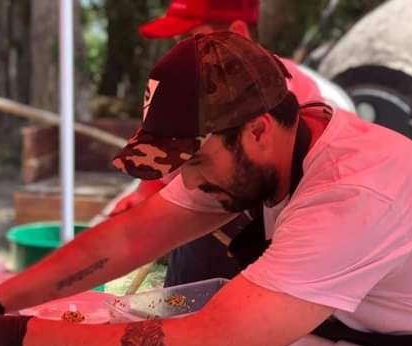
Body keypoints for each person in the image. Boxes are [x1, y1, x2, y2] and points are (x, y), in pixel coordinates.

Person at [0, 33, 412, 346]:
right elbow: (132, 235)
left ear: (259, 130)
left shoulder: (355, 192)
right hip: (342, 337)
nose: (189, 183)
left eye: (197, 161)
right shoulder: (270, 145)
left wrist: (22, 338)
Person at [110, 0, 325, 287]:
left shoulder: (284, 92)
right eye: (177, 41)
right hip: (197, 244)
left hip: (261, 250)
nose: (181, 51)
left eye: (190, 38)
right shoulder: (190, 84)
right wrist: (143, 197)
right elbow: (163, 157)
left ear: (237, 32)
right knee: (179, 306)